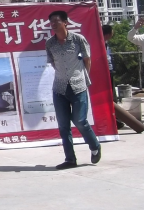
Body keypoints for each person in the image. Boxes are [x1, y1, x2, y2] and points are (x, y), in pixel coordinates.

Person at [46, 10, 101, 169]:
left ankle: (95, 146)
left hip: (78, 86)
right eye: (51, 22)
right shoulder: (50, 43)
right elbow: (53, 63)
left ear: (65, 22)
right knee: (63, 125)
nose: (53, 24)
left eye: (56, 21)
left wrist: (81, 78)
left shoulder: (78, 39)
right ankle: (70, 159)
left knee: (80, 120)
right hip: (59, 88)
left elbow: (87, 60)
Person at [102, 24, 115, 98]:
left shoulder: (106, 43)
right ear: (108, 34)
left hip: (109, 68)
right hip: (105, 69)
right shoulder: (101, 44)